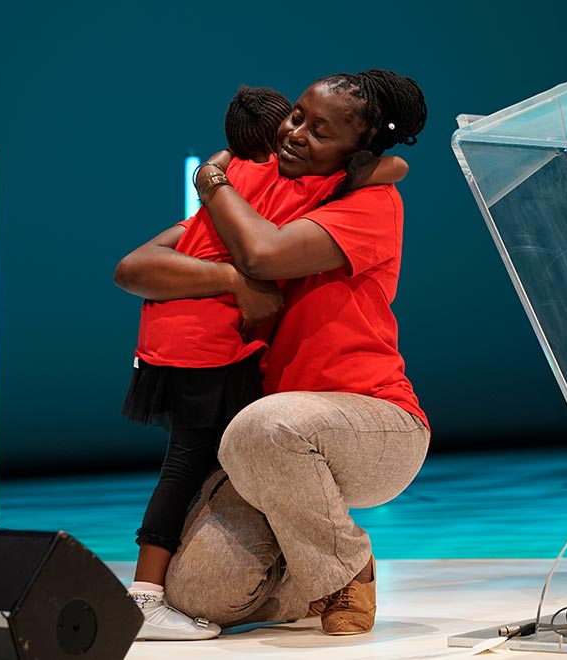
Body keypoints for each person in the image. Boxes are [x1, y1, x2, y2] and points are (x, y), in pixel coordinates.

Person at [117, 68, 430, 637]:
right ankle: (305, 589)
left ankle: (347, 573)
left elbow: (262, 256)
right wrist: (227, 276)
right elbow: (138, 266)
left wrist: (211, 180)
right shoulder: (261, 197)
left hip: (374, 423)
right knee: (196, 595)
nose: (296, 134)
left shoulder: (371, 205)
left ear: (359, 152)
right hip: (273, 444)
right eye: (297, 116)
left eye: (322, 132)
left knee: (264, 425)